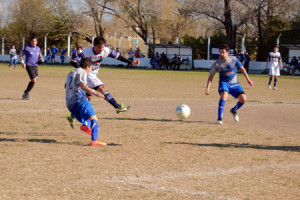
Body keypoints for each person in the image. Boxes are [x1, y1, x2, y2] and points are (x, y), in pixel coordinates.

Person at [67, 36, 140, 128]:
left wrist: (130, 62)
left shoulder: (106, 50)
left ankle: (72, 116)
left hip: (92, 74)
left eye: (102, 47)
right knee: (102, 88)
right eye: (99, 47)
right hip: (88, 75)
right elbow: (73, 61)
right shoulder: (86, 53)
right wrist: (83, 71)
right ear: (94, 46)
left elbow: (118, 57)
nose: (101, 49)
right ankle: (117, 107)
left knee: (88, 100)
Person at [205, 44, 254, 125]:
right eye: (220, 52)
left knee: (243, 99)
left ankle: (234, 110)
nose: (221, 54)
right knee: (224, 95)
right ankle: (219, 118)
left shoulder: (234, 59)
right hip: (224, 83)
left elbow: (242, 69)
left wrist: (248, 79)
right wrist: (207, 88)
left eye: (223, 52)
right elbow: (211, 77)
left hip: (235, 83)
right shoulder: (216, 63)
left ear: (227, 52)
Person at [65, 57, 106, 146]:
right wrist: (96, 93)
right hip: (80, 99)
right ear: (87, 67)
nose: (91, 70)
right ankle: (94, 141)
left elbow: (66, 86)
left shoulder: (71, 73)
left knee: (86, 117)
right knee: (94, 118)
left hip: (69, 103)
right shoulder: (82, 72)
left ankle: (85, 125)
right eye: (91, 68)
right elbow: (83, 85)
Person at [19, 35, 44, 100]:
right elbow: (21, 56)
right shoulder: (27, 48)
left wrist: (42, 59)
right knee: (34, 80)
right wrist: (23, 63)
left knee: (34, 81)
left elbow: (40, 56)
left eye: (35, 41)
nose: (34, 42)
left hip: (35, 66)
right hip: (29, 65)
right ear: (30, 42)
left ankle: (25, 93)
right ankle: (26, 93)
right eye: (32, 41)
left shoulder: (38, 48)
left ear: (37, 42)